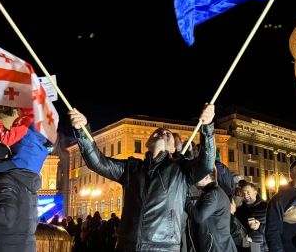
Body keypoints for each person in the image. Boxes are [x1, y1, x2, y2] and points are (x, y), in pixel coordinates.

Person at [68, 104, 216, 252]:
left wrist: (207, 128)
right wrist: (82, 131)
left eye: (168, 133)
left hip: (164, 248)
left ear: (173, 149)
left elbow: (206, 164)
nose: (163, 131)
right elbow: (98, 163)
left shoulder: (181, 170)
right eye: (158, 131)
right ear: (147, 143)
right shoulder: (131, 168)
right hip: (127, 246)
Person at [186, 172, 238, 252]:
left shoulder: (213, 193)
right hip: (219, 245)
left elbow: (199, 217)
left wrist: (186, 201)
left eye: (197, 177)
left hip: (216, 246)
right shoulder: (214, 192)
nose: (194, 180)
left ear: (207, 177)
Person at [235, 182, 269, 252]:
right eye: (243, 194)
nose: (246, 195)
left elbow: (274, 229)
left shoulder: (267, 207)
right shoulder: (239, 210)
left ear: (255, 193)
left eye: (248, 192)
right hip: (245, 248)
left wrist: (259, 227)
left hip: (263, 248)